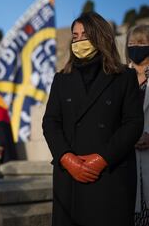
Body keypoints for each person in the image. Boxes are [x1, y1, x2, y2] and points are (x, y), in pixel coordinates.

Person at [42, 12, 143, 226]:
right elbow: (50, 122)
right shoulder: (61, 79)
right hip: (69, 177)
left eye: (85, 35)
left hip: (110, 175)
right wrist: (67, 158)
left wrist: (102, 159)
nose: (79, 41)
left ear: (101, 37)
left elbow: (133, 123)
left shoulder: (124, 77)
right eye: (75, 36)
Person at [126, 24, 149, 226]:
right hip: (127, 162)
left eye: (141, 43)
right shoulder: (120, 78)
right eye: (132, 44)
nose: (136, 48)